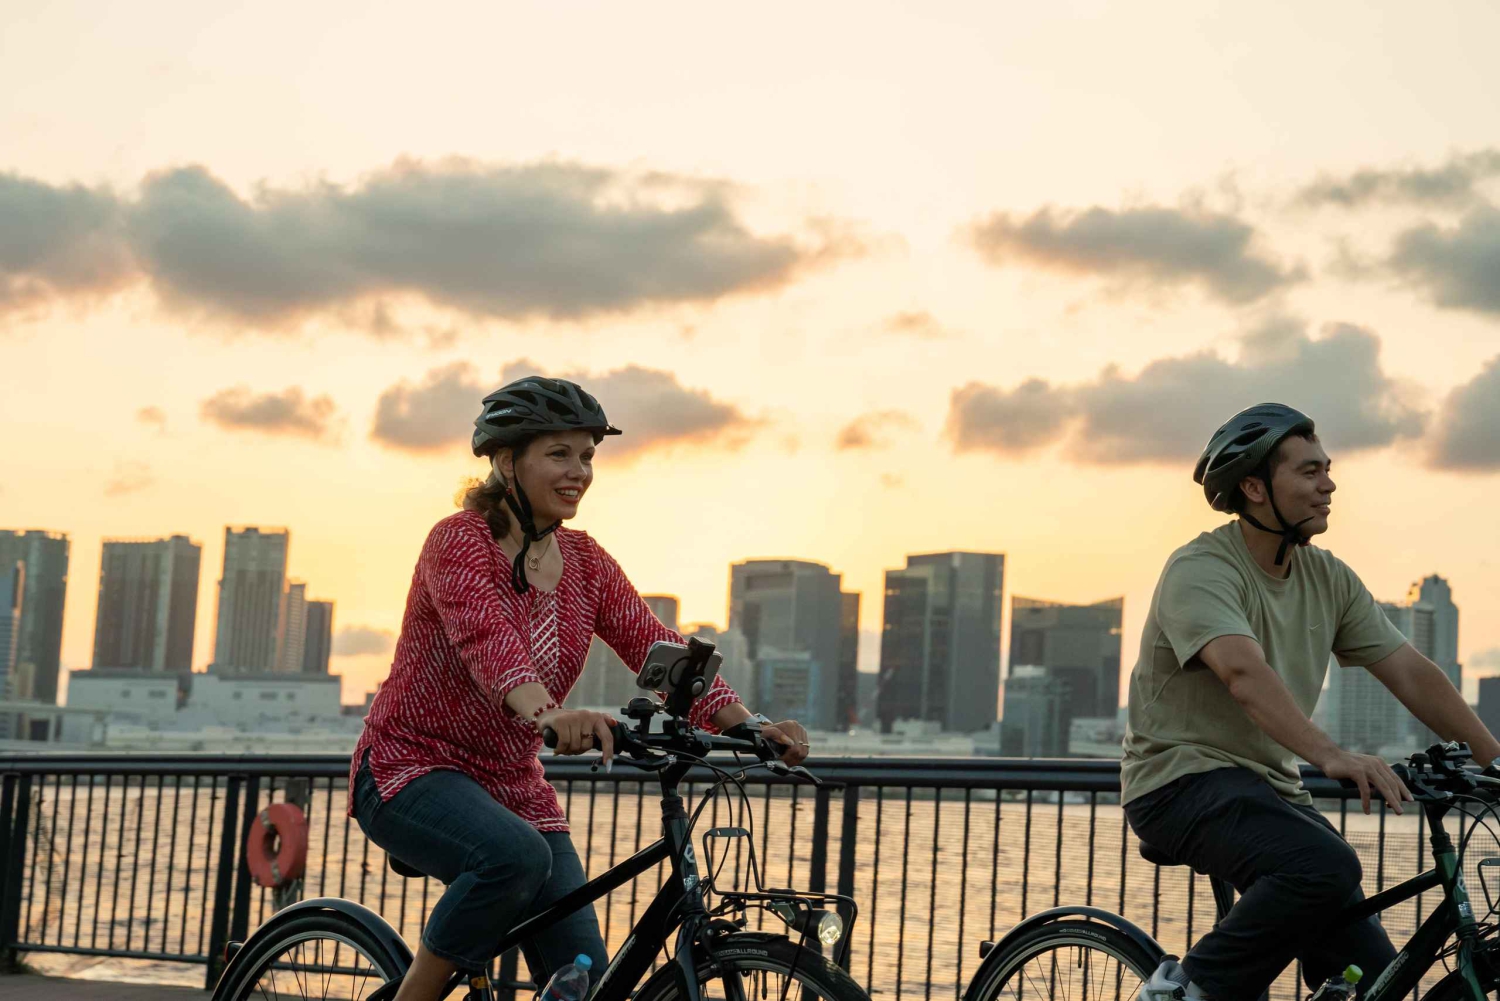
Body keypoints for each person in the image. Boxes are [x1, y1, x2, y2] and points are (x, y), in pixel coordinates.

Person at [348, 375, 812, 1001]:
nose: (580, 471)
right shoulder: (458, 541)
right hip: (410, 769)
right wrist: (548, 712)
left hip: (512, 785)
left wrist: (748, 725)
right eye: (560, 453)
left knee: (584, 980)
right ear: (507, 461)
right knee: (515, 858)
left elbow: (654, 645)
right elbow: (486, 639)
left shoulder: (586, 561)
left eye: (588, 456)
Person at [1122, 403, 1500, 1001]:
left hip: (1270, 791)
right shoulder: (1201, 569)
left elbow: (1410, 672)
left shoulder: (1329, 578)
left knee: (1379, 983)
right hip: (1178, 782)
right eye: (1307, 471)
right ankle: (1183, 990)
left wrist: (1496, 764)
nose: (1328, 484)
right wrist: (1332, 756)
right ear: (1253, 487)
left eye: (1327, 469)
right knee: (1323, 865)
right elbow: (1242, 673)